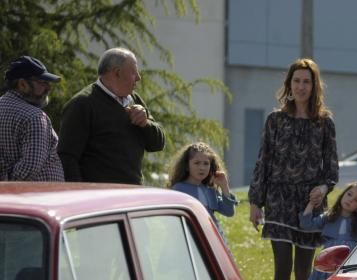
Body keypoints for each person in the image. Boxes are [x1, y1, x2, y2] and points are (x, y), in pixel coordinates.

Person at [248, 58, 338, 280]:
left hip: (309, 204)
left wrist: (323, 187)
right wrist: (255, 202)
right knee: (282, 267)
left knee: (302, 272)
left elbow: (331, 168)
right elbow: (263, 162)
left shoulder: (324, 122)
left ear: (314, 85)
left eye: (306, 82)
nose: (301, 86)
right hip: (278, 201)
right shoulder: (275, 120)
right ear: (289, 84)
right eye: (297, 81)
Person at [58, 47, 165, 184]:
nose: (138, 77)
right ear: (117, 73)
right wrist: (81, 194)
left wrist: (146, 124)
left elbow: (157, 144)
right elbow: (67, 158)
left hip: (131, 196)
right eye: (133, 72)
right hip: (99, 199)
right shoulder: (82, 104)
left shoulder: (135, 99)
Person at [0, 55, 63, 181]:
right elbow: (30, 168)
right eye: (42, 82)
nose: (48, 88)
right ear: (22, 84)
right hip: (37, 197)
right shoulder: (34, 117)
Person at [300, 182, 357, 280]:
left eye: (356, 200)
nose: (350, 200)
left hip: (348, 265)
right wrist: (311, 203)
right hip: (328, 262)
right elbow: (306, 224)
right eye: (349, 194)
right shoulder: (329, 217)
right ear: (343, 194)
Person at [169, 142, 237, 243]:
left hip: (212, 240)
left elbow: (229, 212)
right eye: (197, 163)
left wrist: (224, 186)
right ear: (187, 166)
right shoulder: (179, 189)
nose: (202, 167)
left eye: (206, 163)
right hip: (189, 240)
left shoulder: (210, 190)